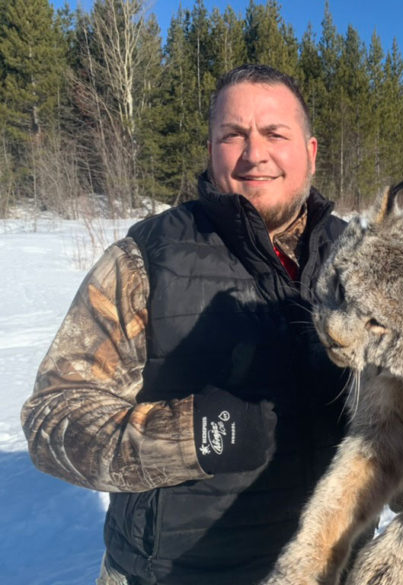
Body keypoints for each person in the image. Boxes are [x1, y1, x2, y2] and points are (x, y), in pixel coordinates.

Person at [21, 64, 350, 585]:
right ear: (212, 148)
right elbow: (52, 420)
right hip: (177, 573)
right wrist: (197, 436)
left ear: (310, 151)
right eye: (233, 135)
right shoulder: (146, 257)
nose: (254, 153)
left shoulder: (359, 257)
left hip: (331, 568)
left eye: (274, 134)